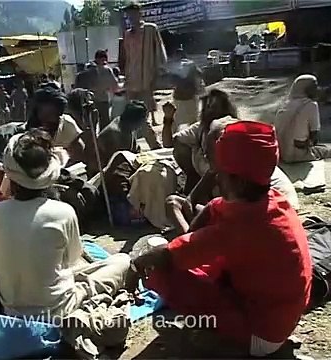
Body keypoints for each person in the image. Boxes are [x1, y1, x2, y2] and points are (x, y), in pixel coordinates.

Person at [131, 121, 312, 357]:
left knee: (164, 273)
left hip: (261, 334)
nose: (216, 179)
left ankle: (218, 341)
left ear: (238, 180)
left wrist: (136, 264)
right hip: (280, 317)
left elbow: (170, 256)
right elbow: (213, 211)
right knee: (202, 262)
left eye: (221, 174)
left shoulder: (241, 226)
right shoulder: (272, 200)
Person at [0, 129, 131, 319]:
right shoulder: (62, 212)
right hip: (57, 310)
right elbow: (72, 260)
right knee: (122, 261)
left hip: (11, 310)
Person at [168, 117, 300, 236]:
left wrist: (195, 231)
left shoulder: (246, 181)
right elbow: (191, 201)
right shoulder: (232, 170)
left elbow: (242, 216)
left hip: (256, 225)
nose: (205, 156)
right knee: (174, 203)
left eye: (208, 151)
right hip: (246, 221)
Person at [173, 89, 237, 194]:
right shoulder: (201, 127)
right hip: (210, 173)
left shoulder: (234, 129)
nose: (211, 110)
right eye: (208, 106)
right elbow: (175, 140)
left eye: (214, 107)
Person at [123, 2, 166, 148]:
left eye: (133, 14)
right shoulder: (127, 34)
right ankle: (137, 146)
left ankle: (154, 144)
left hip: (146, 80)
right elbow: (127, 58)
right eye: (128, 15)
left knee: (143, 115)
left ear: (139, 13)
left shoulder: (150, 29)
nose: (130, 17)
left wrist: (158, 73)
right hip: (131, 81)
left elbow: (159, 51)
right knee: (131, 115)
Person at [275, 74, 331, 163]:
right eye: (315, 86)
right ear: (307, 89)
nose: (317, 89)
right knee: (326, 151)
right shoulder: (311, 105)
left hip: (281, 153)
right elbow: (314, 137)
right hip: (299, 155)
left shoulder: (285, 104)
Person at [26, 86, 85, 164]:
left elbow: (78, 151)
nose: (46, 119)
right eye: (43, 113)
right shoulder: (31, 128)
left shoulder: (67, 123)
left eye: (50, 114)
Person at [93, 100, 147, 174]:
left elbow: (135, 149)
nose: (141, 126)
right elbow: (117, 162)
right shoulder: (114, 133)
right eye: (142, 122)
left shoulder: (129, 126)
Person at [170, 48, 204, 133]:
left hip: (178, 95)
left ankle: (172, 138)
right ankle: (194, 138)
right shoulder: (191, 64)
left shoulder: (174, 65)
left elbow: (171, 81)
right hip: (190, 95)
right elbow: (199, 75)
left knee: (176, 118)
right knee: (193, 120)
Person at [85, 50, 119, 130]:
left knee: (91, 124)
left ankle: (91, 140)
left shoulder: (88, 69)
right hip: (103, 99)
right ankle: (103, 141)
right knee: (105, 124)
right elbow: (114, 85)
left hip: (90, 100)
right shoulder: (107, 70)